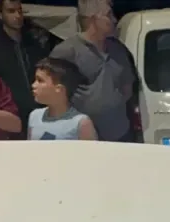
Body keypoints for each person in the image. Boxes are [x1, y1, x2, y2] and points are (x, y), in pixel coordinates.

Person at [49, 0, 137, 142]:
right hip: (82, 139)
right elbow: (53, 95)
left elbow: (127, 88)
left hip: (120, 135)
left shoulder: (119, 50)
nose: (114, 20)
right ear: (92, 19)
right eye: (108, 15)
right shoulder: (66, 51)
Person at [0, 0, 54, 137]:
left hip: (41, 112)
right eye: (11, 11)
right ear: (0, 14)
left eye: (20, 11)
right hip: (11, 117)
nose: (18, 16)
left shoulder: (35, 45)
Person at [27, 58, 96, 140]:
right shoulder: (35, 116)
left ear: (59, 89)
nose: (34, 85)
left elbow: (91, 148)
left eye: (40, 80)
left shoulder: (80, 122)